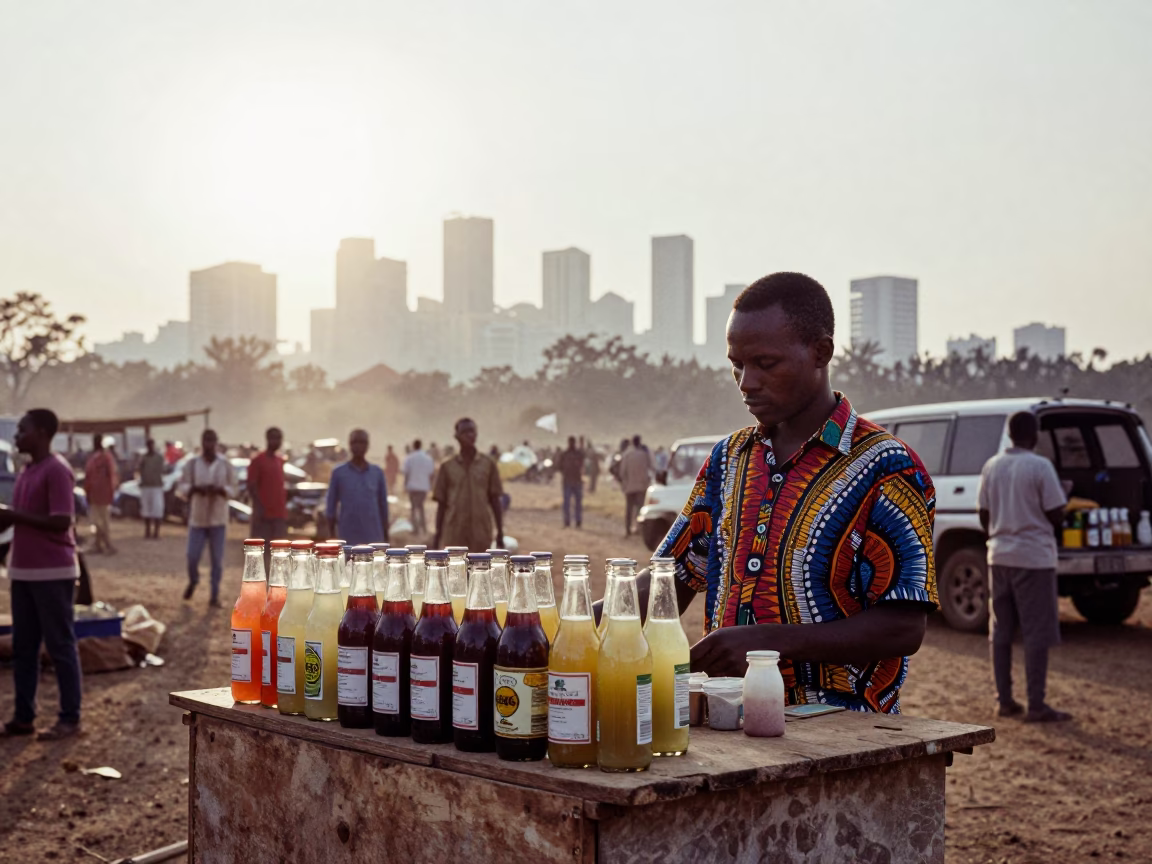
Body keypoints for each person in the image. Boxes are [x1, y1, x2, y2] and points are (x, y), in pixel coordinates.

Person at [626, 272, 936, 713]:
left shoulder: (887, 467)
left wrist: (767, 643)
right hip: (727, 726)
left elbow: (903, 627)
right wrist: (561, 627)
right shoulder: (729, 458)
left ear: (820, 352)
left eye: (765, 364)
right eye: (737, 364)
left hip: (843, 738)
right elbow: (669, 581)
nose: (746, 382)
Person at [978, 412, 1070, 723]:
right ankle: (1037, 704)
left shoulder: (992, 465)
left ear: (1010, 433)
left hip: (1000, 556)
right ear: (1036, 434)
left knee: (1001, 631)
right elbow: (1056, 514)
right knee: (1036, 633)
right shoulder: (1040, 466)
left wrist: (1000, 535)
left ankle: (1004, 700)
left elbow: (984, 515)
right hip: (1033, 559)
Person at [0, 409, 83, 740]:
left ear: (43, 433)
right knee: (24, 647)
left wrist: (13, 516)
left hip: (53, 571)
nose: (18, 436)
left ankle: (70, 718)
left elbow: (63, 520)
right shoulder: (27, 470)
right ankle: (23, 717)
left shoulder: (57, 470)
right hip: (24, 571)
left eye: (23, 430)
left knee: (60, 645)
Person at [178, 429, 237, 607]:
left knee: (217, 560)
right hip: (198, 517)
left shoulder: (225, 464)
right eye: (206, 441)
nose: (209, 445)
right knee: (192, 556)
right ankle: (194, 579)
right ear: (202, 442)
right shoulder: (192, 464)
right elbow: (182, 487)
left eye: (212, 441)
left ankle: (214, 595)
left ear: (216, 443)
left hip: (218, 518)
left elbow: (234, 488)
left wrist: (221, 491)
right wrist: (195, 489)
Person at [432, 418, 504, 552]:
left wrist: (500, 532)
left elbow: (495, 501)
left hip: (481, 532)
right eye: (465, 432)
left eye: (472, 431)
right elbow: (442, 504)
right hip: (454, 533)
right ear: (457, 437)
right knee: (456, 571)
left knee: (480, 571)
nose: (469, 435)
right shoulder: (447, 467)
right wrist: (437, 535)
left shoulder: (488, 464)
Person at [326, 429, 389, 546]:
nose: (359, 446)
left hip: (373, 535)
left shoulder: (377, 473)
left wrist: (386, 534)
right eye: (355, 442)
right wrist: (331, 534)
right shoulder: (339, 473)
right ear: (350, 445)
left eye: (362, 442)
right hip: (347, 536)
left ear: (367, 446)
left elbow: (383, 506)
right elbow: (331, 506)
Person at [248, 427, 288, 573]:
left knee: (279, 554)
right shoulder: (258, 460)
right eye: (273, 438)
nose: (276, 441)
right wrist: (259, 509)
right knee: (261, 555)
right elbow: (252, 486)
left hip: (279, 515)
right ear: (267, 439)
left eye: (278, 438)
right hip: (263, 516)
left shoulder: (279, 460)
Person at [83, 434, 118, 554]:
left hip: (104, 494)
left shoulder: (106, 458)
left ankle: (107, 544)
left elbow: (111, 476)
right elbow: (88, 477)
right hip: (94, 494)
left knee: (104, 521)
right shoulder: (93, 458)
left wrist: (111, 491)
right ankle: (98, 545)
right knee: (96, 521)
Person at [618, 435, 652, 537]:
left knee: (629, 509)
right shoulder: (644, 455)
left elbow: (622, 472)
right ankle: (640, 530)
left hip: (629, 486)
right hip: (641, 486)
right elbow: (649, 468)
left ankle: (628, 530)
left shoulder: (627, 455)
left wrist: (624, 482)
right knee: (640, 509)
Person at [402, 439, 436, 536]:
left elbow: (406, 473)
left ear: (413, 446)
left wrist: (405, 485)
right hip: (423, 486)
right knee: (421, 507)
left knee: (413, 508)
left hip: (412, 486)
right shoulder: (428, 458)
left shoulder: (409, 458)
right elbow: (431, 474)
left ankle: (415, 529)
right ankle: (423, 527)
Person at [138, 438, 166, 539]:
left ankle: (156, 532)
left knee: (157, 509)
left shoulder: (159, 458)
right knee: (146, 509)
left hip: (156, 486)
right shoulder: (143, 458)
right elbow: (139, 470)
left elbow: (164, 470)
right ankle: (147, 531)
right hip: (146, 486)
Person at [558, 436, 585, 529]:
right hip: (571, 481)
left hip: (573, 480)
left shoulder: (573, 454)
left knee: (574, 503)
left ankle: (574, 521)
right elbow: (560, 466)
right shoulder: (566, 454)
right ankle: (570, 521)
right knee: (570, 503)